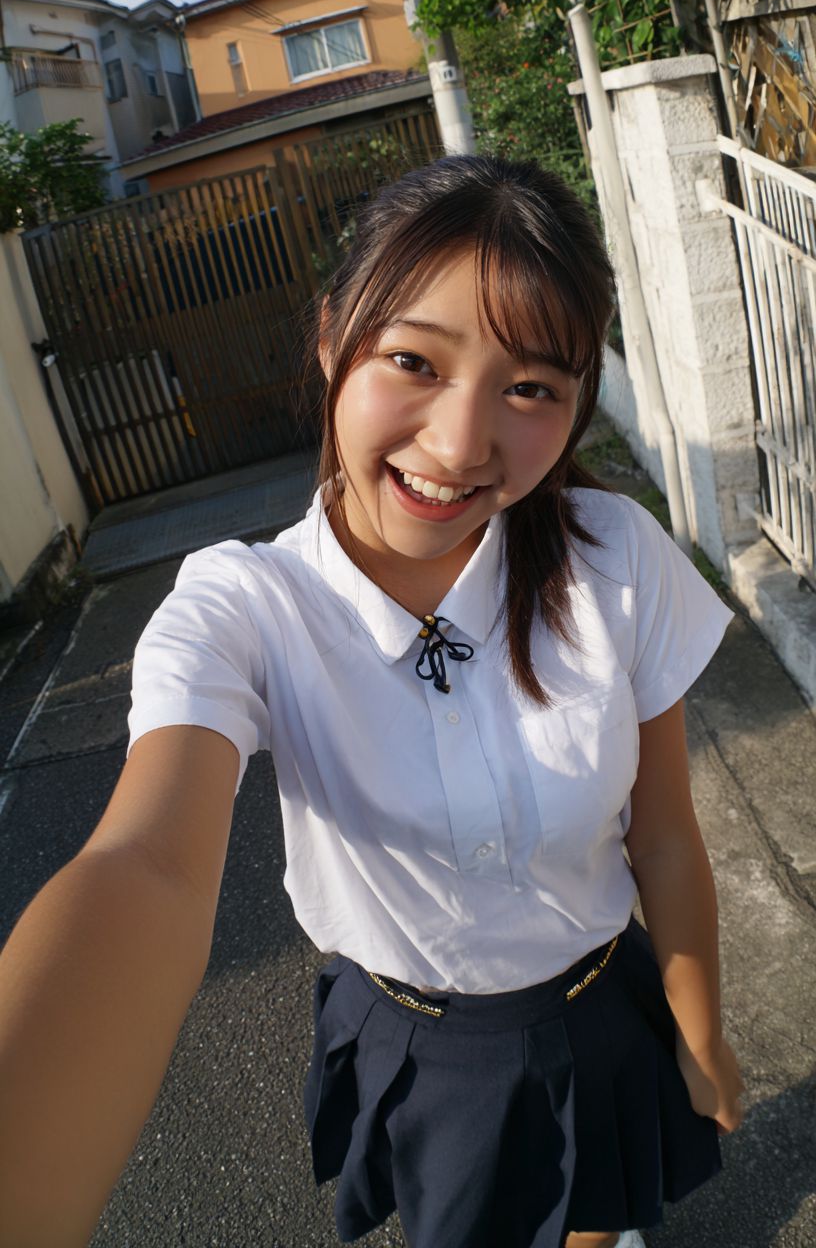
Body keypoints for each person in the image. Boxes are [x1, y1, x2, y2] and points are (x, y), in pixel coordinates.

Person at [0, 155, 744, 1248]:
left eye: (531, 388)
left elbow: (665, 836)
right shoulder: (246, 605)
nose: (460, 444)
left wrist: (700, 1028)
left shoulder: (612, 557)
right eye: (413, 361)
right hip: (421, 1046)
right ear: (331, 339)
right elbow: (147, 865)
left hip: (600, 1006)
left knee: (600, 1218)